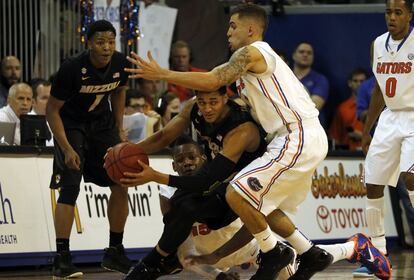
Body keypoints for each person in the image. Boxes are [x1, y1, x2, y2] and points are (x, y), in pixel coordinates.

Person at [124, 3, 391, 279]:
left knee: (237, 193)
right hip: (290, 139)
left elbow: (214, 78)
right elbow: (199, 102)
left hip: (296, 135)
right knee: (262, 206)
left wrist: (164, 74)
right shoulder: (246, 69)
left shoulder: (253, 51)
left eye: (233, 25)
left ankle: (275, 253)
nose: (228, 31)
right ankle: (324, 252)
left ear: (250, 29)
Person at [119, 86, 269, 279]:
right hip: (207, 254)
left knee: (266, 222)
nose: (206, 109)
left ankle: (288, 251)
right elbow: (164, 136)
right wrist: (126, 151)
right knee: (183, 204)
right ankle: (157, 262)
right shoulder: (194, 110)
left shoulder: (240, 129)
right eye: (202, 102)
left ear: (225, 99)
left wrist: (155, 175)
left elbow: (206, 182)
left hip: (248, 194)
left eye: (213, 102)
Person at [45, 20, 132, 278]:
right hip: (71, 125)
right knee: (70, 187)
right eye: (100, 42)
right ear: (89, 43)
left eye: (111, 41)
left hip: (101, 124)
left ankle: (114, 252)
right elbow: (51, 111)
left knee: (121, 182)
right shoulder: (72, 68)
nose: (106, 47)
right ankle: (62, 258)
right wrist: (66, 147)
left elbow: (119, 91)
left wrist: (119, 128)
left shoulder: (120, 62)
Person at [161, 136, 297, 280]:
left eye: (192, 157)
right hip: (211, 261)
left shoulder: (224, 180)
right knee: (183, 254)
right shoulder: (168, 193)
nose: (187, 163)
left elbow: (253, 227)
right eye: (180, 160)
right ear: (174, 166)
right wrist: (219, 276)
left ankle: (287, 250)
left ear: (203, 158)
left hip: (250, 249)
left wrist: (218, 254)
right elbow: (183, 247)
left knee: (286, 272)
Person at [359, 0, 414, 277]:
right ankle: (378, 253)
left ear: (410, 15)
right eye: (388, 12)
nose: (391, 17)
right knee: (372, 182)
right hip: (390, 118)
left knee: (411, 177)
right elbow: (378, 90)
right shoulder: (377, 44)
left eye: (398, 12)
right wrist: (369, 129)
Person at [292, 42, 330, 130]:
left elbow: (313, 107)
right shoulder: (284, 78)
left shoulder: (320, 80)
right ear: (294, 55)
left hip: (311, 129)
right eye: (301, 52)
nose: (305, 55)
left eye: (309, 53)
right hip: (288, 130)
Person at [329, 68, 367, 150]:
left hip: (370, 151)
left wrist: (362, 136)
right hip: (348, 154)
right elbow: (335, 136)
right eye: (355, 81)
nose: (359, 84)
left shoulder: (374, 107)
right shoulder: (342, 108)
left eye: (362, 81)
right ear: (350, 83)